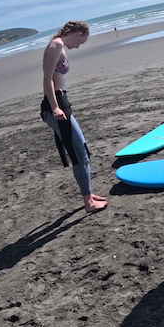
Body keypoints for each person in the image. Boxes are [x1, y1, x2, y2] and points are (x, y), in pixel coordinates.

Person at [40, 21, 107, 213]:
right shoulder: (57, 44)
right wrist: (55, 107)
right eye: (81, 42)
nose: (78, 47)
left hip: (62, 100)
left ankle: (89, 194)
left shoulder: (59, 45)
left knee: (81, 149)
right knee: (80, 153)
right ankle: (89, 203)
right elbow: (47, 79)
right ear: (78, 34)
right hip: (55, 104)